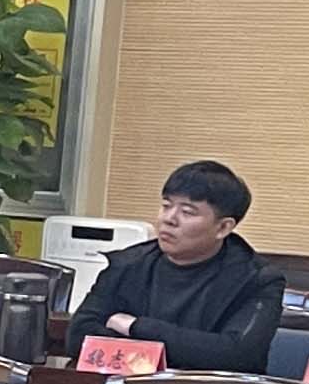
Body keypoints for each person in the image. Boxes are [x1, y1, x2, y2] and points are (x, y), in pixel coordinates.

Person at [71, 159, 283, 372]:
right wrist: (180, 350)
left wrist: (135, 327)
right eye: (166, 206)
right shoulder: (127, 264)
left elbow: (238, 355)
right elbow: (79, 336)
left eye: (187, 212)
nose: (169, 219)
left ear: (223, 228)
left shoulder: (257, 279)